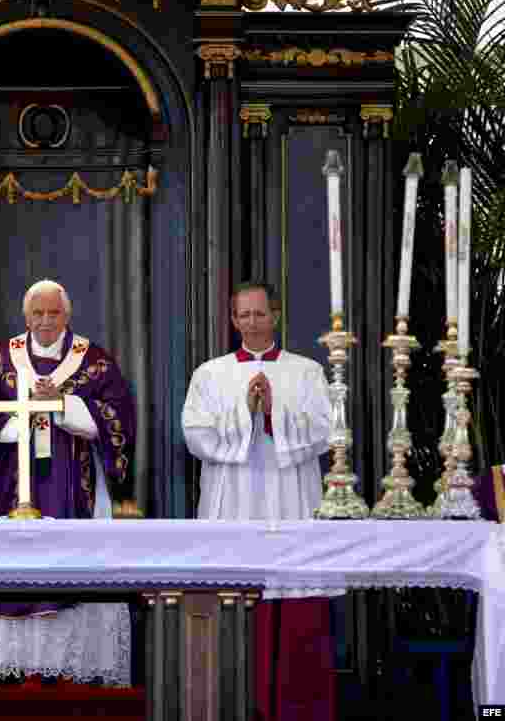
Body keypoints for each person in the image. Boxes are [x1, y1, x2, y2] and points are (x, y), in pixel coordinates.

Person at [0, 280, 136, 687]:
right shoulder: (1, 358)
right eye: (37, 314)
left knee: (76, 567)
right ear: (26, 317)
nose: (45, 321)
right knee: (24, 564)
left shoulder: (92, 360)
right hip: (16, 484)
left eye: (53, 313)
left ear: (67, 315)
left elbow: (119, 418)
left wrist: (63, 403)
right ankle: (28, 672)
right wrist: (23, 413)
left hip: (76, 482)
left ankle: (77, 675)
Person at [182, 280, 335, 721]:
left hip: (290, 495)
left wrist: (273, 413)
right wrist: (245, 413)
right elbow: (195, 434)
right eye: (243, 315)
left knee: (295, 600)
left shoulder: (306, 372)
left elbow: (326, 430)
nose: (252, 321)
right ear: (233, 320)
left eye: (260, 313)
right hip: (233, 497)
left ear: (276, 315)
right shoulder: (209, 374)